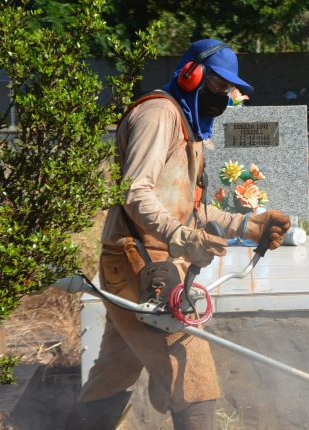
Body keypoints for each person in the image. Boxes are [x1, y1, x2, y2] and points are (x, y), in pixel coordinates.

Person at [64, 39, 291, 430]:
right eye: (218, 85)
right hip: (137, 257)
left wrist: (246, 225)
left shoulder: (189, 125)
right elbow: (136, 193)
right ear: (191, 75)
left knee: (114, 374)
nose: (224, 97)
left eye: (230, 89)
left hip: (149, 257)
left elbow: (191, 207)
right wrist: (184, 239)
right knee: (192, 374)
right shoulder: (158, 115)